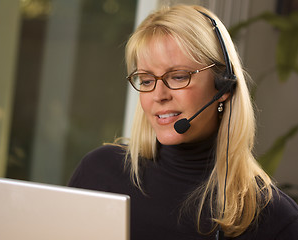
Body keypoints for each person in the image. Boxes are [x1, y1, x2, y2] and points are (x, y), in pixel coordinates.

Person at [68, 4, 298, 240]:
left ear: (223, 86)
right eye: (146, 81)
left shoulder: (274, 219)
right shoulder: (98, 173)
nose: (159, 95)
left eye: (178, 77)